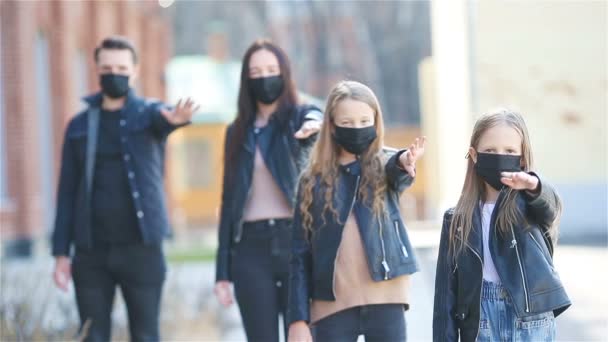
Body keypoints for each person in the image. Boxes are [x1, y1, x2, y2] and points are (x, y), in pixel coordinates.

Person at [51, 36, 198, 342]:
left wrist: (175, 120)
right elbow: (66, 192)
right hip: (91, 253)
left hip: (141, 250)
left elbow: (164, 117)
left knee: (146, 336)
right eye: (107, 68)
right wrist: (61, 253)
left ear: (135, 71)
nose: (113, 73)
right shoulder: (78, 125)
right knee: (92, 336)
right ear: (97, 70)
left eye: (121, 67)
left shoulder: (148, 116)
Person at [287, 80, 425, 342]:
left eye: (364, 121)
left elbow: (398, 173)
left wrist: (405, 163)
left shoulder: (385, 162)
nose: (357, 129)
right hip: (331, 305)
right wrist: (298, 318)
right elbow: (299, 253)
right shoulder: (312, 180)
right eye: (347, 123)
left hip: (386, 298)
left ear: (376, 122)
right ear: (331, 126)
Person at [213, 39, 323, 342]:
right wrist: (222, 270)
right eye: (257, 71)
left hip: (295, 243)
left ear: (284, 73)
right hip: (250, 249)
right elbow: (228, 200)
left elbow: (318, 115)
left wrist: (317, 125)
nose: (265, 77)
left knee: (301, 335)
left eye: (272, 69)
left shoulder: (299, 117)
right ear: (247, 78)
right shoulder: (237, 132)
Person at [432, 108, 571, 342]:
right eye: (490, 150)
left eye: (509, 151)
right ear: (474, 156)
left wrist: (533, 185)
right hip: (479, 321)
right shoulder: (456, 219)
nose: (500, 156)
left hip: (530, 320)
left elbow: (552, 206)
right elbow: (445, 295)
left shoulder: (531, 205)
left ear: (522, 158)